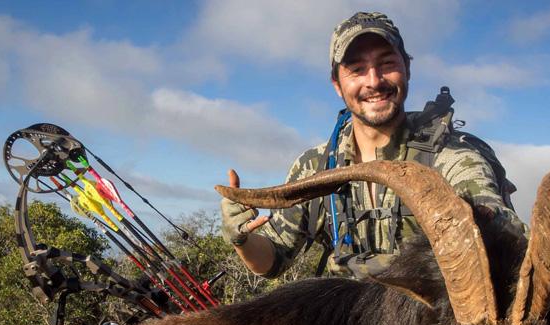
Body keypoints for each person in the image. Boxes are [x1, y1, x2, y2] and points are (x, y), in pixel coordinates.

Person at [221, 11, 525, 279]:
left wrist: (485, 222)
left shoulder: (453, 155)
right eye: (356, 69)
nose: (374, 81)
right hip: (346, 316)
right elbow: (274, 259)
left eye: (387, 63)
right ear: (337, 84)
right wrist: (241, 238)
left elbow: (502, 234)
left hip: (430, 316)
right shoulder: (315, 165)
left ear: (407, 69)